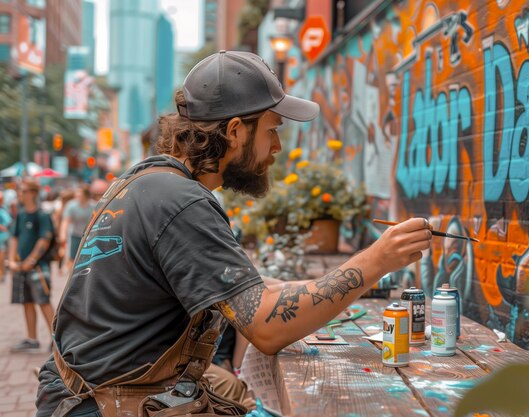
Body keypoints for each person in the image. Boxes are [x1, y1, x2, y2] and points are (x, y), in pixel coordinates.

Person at [36, 50, 432, 417]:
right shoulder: (181, 202)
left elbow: (250, 291)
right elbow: (266, 328)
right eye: (272, 130)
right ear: (237, 130)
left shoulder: (146, 182)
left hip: (90, 396)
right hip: (100, 406)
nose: (277, 146)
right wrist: (377, 260)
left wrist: (325, 284)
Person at [8, 179, 55, 352]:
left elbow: (45, 239)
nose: (20, 194)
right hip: (21, 266)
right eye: (19, 191)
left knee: (43, 301)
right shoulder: (20, 214)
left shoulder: (42, 215)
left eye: (23, 190)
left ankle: (56, 340)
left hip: (38, 267)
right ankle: (32, 339)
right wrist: (13, 260)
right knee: (26, 301)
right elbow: (14, 236)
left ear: (33, 193)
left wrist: (32, 260)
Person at [59, 184, 96, 272]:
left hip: (89, 237)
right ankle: (73, 277)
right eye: (77, 194)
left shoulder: (93, 205)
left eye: (79, 194)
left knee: (87, 259)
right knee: (72, 259)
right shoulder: (71, 205)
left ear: (86, 195)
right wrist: (62, 236)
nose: (77, 196)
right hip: (75, 235)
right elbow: (65, 221)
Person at [0, 190, 13, 282]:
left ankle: (2, 273)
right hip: (3, 237)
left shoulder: (3, 210)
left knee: (1, 257)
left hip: (2, 237)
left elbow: (9, 223)